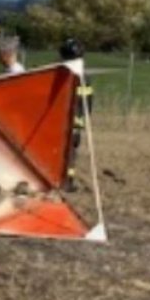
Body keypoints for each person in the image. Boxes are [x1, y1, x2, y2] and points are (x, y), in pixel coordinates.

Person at [59, 37, 93, 191]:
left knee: (68, 151)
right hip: (73, 121)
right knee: (70, 152)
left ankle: (66, 180)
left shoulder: (63, 74)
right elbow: (88, 103)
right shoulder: (83, 76)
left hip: (66, 121)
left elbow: (86, 101)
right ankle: (67, 181)